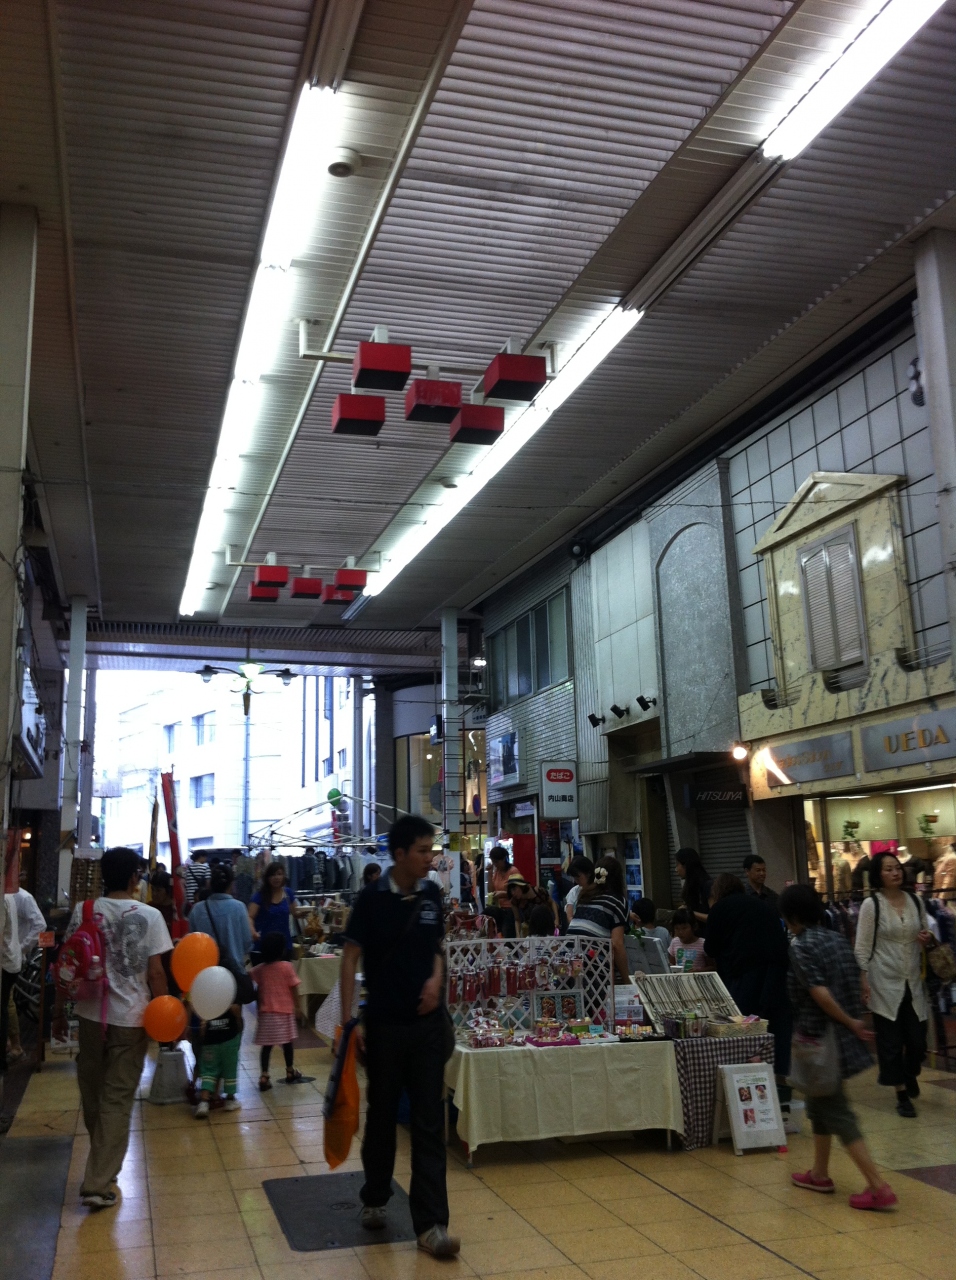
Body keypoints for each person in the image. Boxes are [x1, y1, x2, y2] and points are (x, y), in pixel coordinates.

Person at [340, 814, 459, 1258]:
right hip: (385, 1026)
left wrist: (436, 978)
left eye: (432, 850)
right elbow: (350, 958)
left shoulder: (430, 895)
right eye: (423, 851)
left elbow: (437, 949)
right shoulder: (371, 899)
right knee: (382, 1117)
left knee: (429, 1123)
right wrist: (349, 1021)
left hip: (427, 1027)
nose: (431, 858)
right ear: (399, 854)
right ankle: (375, 1195)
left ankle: (432, 1225)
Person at [53, 847, 172, 1211]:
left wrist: (59, 1011)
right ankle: (98, 1181)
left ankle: (102, 1166)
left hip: (91, 1016)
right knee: (117, 1099)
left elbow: (67, 963)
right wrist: (168, 1016)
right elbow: (156, 973)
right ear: (135, 877)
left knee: (93, 1093)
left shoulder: (85, 910)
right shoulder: (151, 915)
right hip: (132, 1019)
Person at [781, 883, 896, 1210]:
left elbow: (819, 993)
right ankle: (819, 1173)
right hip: (839, 1038)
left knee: (837, 1111)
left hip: (819, 1039)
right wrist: (851, 1021)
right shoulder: (837, 939)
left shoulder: (801, 946)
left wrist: (849, 1020)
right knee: (819, 1102)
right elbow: (852, 983)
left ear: (793, 917)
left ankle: (878, 1186)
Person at [854, 852, 932, 1118]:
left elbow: (925, 931)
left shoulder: (915, 900)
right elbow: (862, 947)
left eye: (897, 867)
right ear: (878, 875)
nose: (895, 872)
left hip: (913, 980)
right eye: (888, 869)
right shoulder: (871, 905)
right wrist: (864, 979)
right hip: (884, 981)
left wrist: (926, 937)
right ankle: (901, 1095)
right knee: (890, 1042)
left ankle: (910, 1072)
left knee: (917, 1041)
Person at [703, 873, 792, 1080]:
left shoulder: (720, 908)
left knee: (743, 1028)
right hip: (778, 971)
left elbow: (710, 948)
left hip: (745, 973)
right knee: (775, 1026)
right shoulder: (762, 905)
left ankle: (746, 1079)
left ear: (717, 892)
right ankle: (779, 1079)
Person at [251, 931, 304, 1089]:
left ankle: (264, 1075)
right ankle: (290, 1071)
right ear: (281, 951)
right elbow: (294, 987)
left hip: (266, 1013)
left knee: (266, 1047)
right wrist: (298, 1007)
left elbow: (251, 980)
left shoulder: (260, 969)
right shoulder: (287, 967)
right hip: (285, 1012)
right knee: (287, 1044)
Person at [566, 855, 630, 983]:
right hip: (594, 971)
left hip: (569, 966)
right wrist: (627, 980)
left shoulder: (585, 896)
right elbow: (617, 944)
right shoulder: (618, 901)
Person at [6, 885, 45, 1062]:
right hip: (9, 956)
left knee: (7, 1001)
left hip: (11, 958)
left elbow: (40, 924)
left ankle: (15, 1045)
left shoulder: (22, 897)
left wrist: (21, 948)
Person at [190, 862, 252, 968]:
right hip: (234, 969)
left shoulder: (197, 909)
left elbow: (192, 942)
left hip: (204, 970)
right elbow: (247, 942)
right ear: (231, 884)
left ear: (210, 884)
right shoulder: (239, 907)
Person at [194, 997, 242, 1118]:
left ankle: (204, 1103)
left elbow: (202, 1027)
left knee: (208, 1070)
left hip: (210, 1041)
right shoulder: (230, 997)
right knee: (230, 1069)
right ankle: (230, 1100)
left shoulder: (206, 999)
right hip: (229, 1040)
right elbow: (239, 1023)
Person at [248, 861, 307, 959]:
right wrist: (253, 932)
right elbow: (250, 917)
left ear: (284, 876)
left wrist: (305, 912)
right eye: (273, 875)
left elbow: (296, 913)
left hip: (284, 945)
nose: (276, 878)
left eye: (279, 874)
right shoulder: (259, 896)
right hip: (264, 945)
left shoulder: (288, 893)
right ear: (267, 878)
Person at [0, 895, 21, 1072]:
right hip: (11, 960)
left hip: (5, 962)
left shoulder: (3, 897)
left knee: (2, 1010)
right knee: (5, 1007)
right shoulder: (9, 896)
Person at [676, 848, 712, 923]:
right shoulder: (690, 885)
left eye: (677, 864)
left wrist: (689, 912)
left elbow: (714, 917)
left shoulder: (707, 886)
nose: (676, 869)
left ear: (685, 865)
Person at [564, 855, 594, 922]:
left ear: (588, 873)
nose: (576, 881)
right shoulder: (574, 892)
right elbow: (569, 916)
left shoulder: (599, 890)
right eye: (574, 878)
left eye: (578, 878)